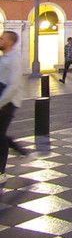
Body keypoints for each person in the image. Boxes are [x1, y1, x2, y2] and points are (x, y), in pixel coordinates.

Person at [0, 31, 24, 183]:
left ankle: (1, 172)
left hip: (8, 102)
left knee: (0, 135)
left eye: (2, 38)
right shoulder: (4, 58)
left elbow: (13, 85)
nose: (0, 39)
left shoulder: (15, 59)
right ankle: (18, 149)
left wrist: (1, 103)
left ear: (9, 42)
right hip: (3, 98)